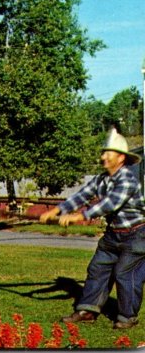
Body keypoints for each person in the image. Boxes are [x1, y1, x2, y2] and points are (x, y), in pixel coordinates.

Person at [39, 127, 145, 330]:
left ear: (121, 157)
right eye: (103, 152)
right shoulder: (101, 179)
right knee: (98, 268)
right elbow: (81, 196)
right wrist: (57, 211)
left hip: (136, 235)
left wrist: (79, 216)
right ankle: (87, 310)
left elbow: (109, 204)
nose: (103, 156)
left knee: (125, 273)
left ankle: (127, 317)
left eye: (108, 153)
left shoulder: (128, 180)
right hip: (113, 234)